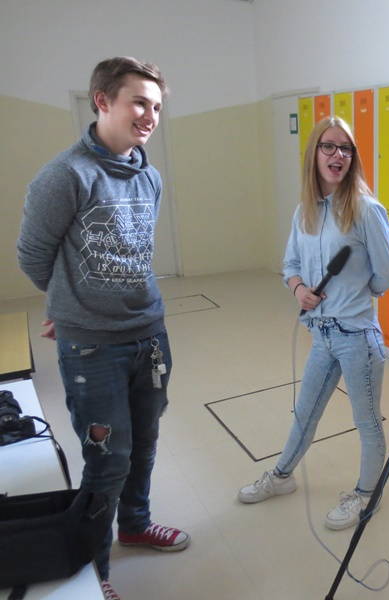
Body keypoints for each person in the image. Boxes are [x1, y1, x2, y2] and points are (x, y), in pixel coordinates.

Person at [17, 57, 190, 600]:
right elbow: (33, 255)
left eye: (156, 106)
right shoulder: (64, 176)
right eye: (139, 102)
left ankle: (135, 524)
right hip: (93, 348)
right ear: (102, 101)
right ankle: (95, 567)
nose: (150, 116)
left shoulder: (150, 176)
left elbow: (137, 252)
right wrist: (70, 306)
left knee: (144, 443)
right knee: (107, 459)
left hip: (150, 336)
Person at [237, 116, 389, 530]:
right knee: (305, 412)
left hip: (356, 335)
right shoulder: (305, 211)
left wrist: (355, 294)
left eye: (346, 148)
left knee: (366, 421)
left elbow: (387, 274)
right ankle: (282, 476)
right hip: (321, 334)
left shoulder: (366, 210)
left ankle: (367, 494)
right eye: (329, 146)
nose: (337, 155)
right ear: (314, 154)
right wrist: (298, 289)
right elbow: (290, 263)